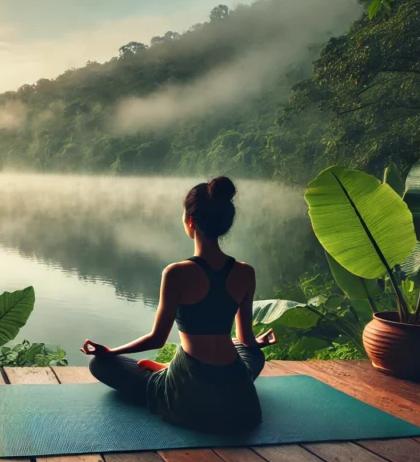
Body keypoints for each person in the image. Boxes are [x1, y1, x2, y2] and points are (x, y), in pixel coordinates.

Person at [81, 176, 276, 433]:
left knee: (99, 365)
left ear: (191, 221)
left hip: (190, 393)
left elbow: (156, 339)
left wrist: (110, 352)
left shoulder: (176, 273)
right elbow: (245, 338)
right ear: (224, 223)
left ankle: (165, 374)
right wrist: (255, 344)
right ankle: (174, 371)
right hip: (239, 398)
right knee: (251, 353)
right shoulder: (245, 272)